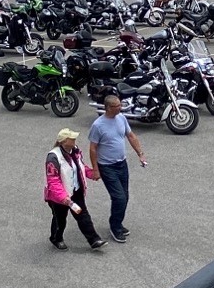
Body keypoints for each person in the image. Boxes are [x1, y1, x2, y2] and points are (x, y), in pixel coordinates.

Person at [85, 94, 147, 242]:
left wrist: (140, 153)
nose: (120, 108)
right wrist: (95, 169)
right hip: (107, 166)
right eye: (117, 106)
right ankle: (115, 227)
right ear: (108, 108)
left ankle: (117, 222)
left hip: (121, 164)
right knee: (119, 198)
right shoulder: (98, 125)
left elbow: (131, 136)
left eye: (120, 105)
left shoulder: (121, 118)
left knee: (124, 197)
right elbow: (93, 148)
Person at [43, 128, 104, 251]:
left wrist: (91, 174)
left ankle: (94, 240)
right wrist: (63, 197)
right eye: (72, 138)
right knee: (60, 220)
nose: (75, 140)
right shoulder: (53, 157)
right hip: (58, 197)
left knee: (83, 215)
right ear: (64, 141)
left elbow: (81, 168)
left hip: (76, 191)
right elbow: (53, 181)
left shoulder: (75, 151)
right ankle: (56, 238)